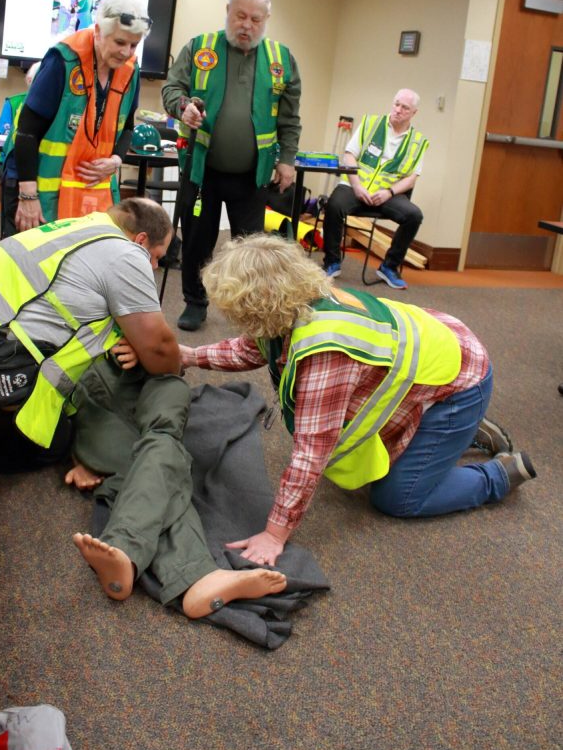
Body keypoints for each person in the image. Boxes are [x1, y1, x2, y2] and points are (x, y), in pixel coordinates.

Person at [179, 234, 537, 567]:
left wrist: (274, 534)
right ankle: (451, 429)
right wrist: (191, 356)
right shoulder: (297, 300)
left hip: (460, 384)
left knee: (398, 497)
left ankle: (496, 473)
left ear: (256, 305)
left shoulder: (326, 350)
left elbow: (311, 452)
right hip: (440, 351)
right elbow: (249, 349)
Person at [0, 198, 178, 481]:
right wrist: (155, 353)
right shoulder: (126, 254)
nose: (155, 266)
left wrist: (135, 341)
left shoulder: (81, 226)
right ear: (140, 240)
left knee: (56, 437)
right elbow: (160, 350)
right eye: (157, 256)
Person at [68, 345, 287, 621]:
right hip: (91, 409)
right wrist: (74, 456)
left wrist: (145, 351)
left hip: (152, 381)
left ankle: (126, 545)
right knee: (149, 461)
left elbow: (165, 347)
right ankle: (200, 579)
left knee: (161, 437)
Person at [161, 0, 302, 332]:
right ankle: (195, 303)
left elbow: (289, 118)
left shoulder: (282, 60)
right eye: (240, 16)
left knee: (251, 249)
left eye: (256, 19)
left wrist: (287, 159)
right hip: (201, 170)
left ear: (265, 20)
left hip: (252, 175)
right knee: (197, 241)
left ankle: (249, 311)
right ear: (228, 12)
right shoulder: (199, 47)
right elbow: (171, 88)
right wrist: (183, 107)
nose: (247, 25)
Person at [0, 0, 151, 237]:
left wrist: (116, 160)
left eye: (134, 45)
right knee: (27, 254)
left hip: (84, 188)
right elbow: (27, 131)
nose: (126, 52)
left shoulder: (131, 71)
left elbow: (127, 127)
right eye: (120, 42)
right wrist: (28, 195)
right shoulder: (62, 61)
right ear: (99, 31)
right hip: (32, 180)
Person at [322, 88, 427, 290]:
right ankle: (332, 261)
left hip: (387, 194)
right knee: (334, 205)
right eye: (396, 104)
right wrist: (357, 186)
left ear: (414, 113)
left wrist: (389, 192)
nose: (398, 110)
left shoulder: (418, 141)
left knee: (414, 216)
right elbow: (349, 155)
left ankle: (389, 267)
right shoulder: (371, 123)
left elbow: (411, 179)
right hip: (355, 186)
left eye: (405, 107)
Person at [0, 61, 41, 237]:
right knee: (14, 229)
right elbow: (7, 137)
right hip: (14, 170)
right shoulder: (16, 103)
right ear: (29, 81)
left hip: (42, 175)